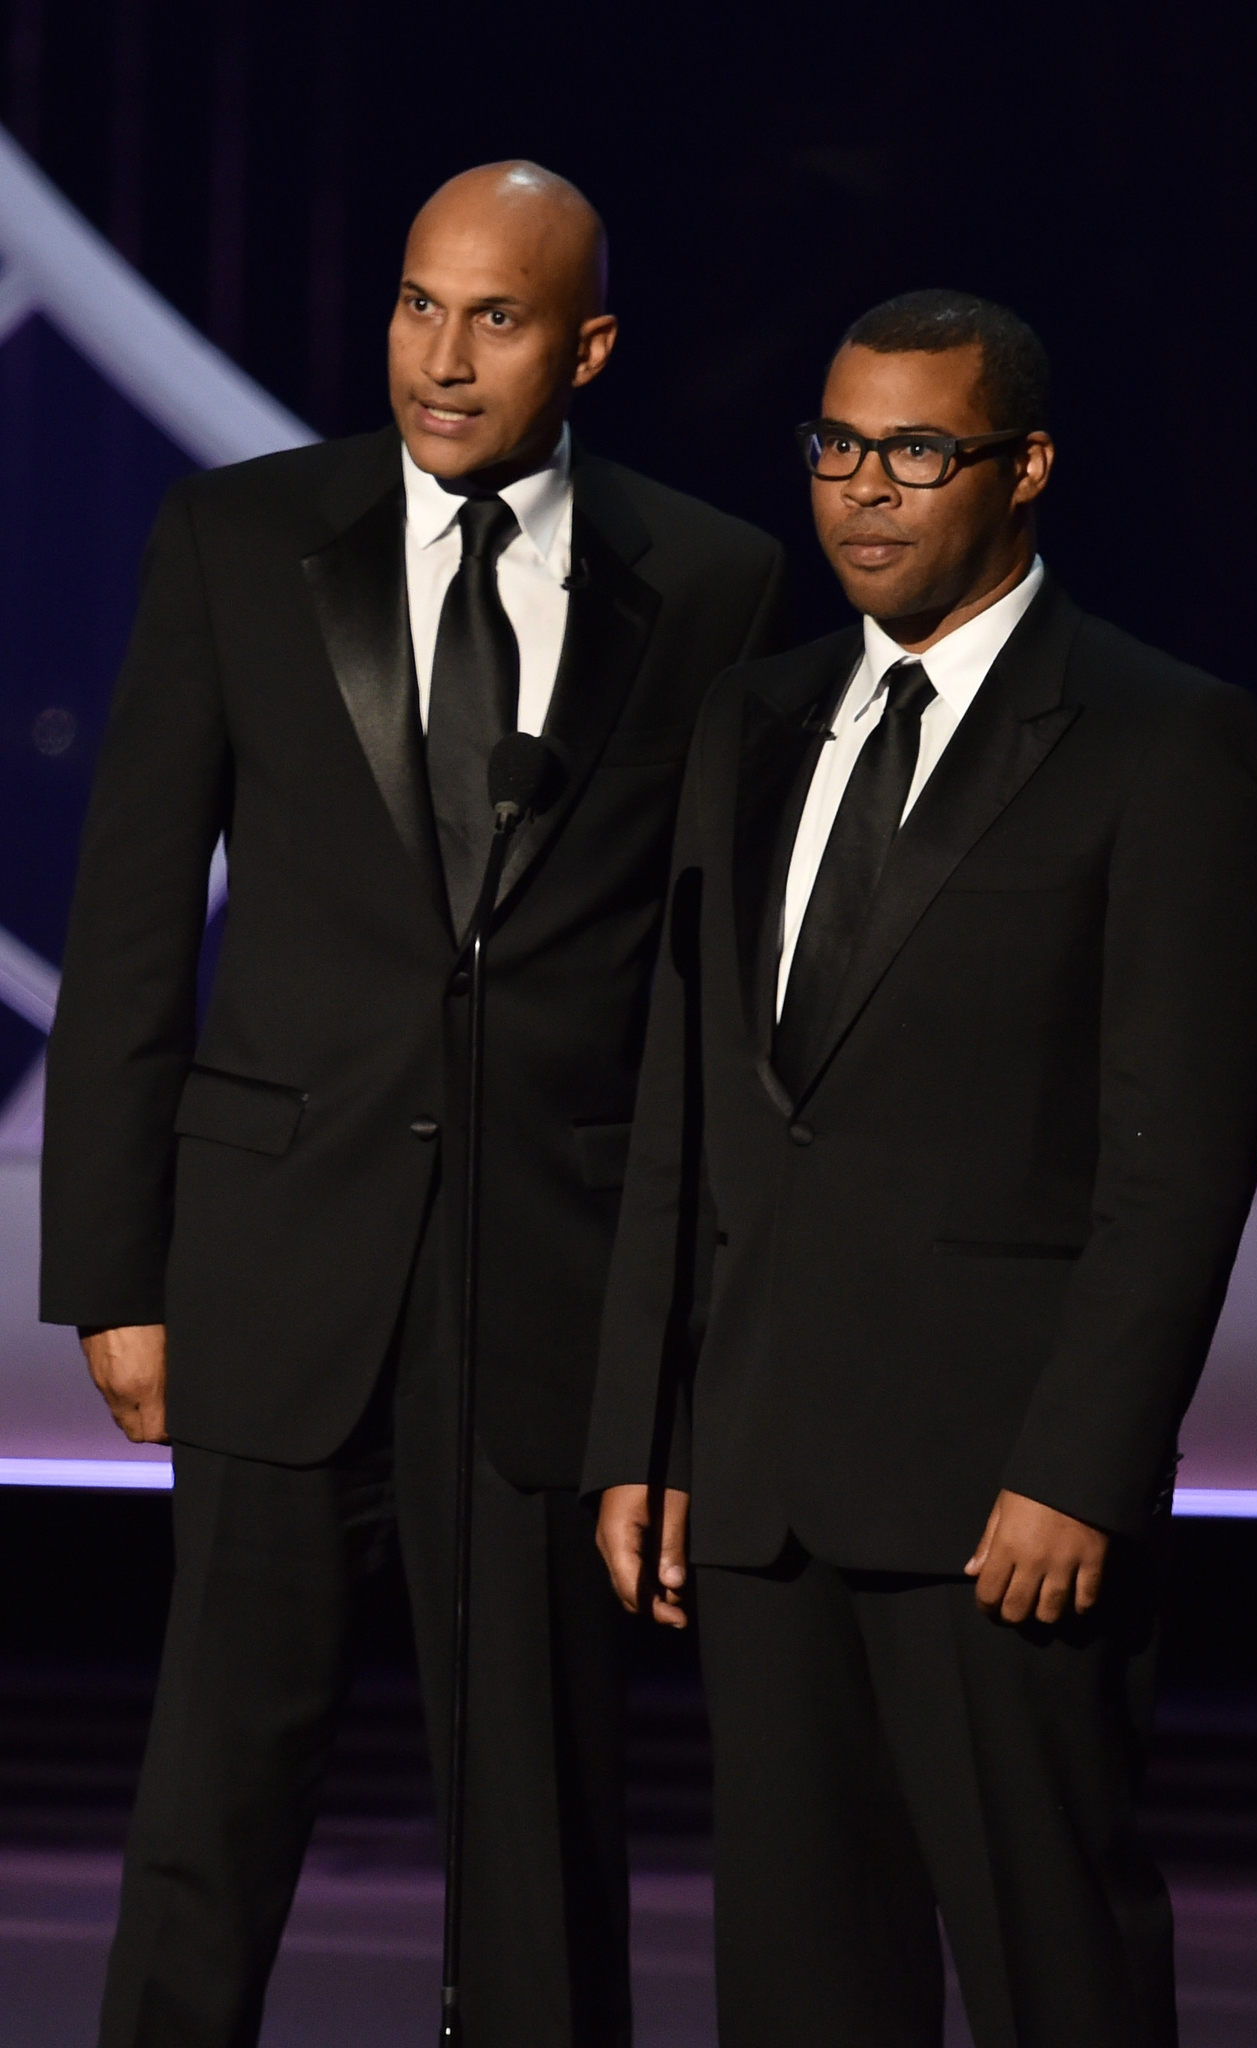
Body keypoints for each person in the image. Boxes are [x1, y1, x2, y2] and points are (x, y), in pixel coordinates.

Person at [41, 161, 785, 2048]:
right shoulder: (237, 536)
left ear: (588, 345)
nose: (441, 359)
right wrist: (113, 1270)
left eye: (498, 317)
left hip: (551, 1288)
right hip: (275, 1269)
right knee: (213, 1803)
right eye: (413, 305)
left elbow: (709, 989)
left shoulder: (708, 581)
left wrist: (685, 1343)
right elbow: (132, 919)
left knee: (542, 1832)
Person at [589, 289, 1257, 2047]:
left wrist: (1083, 1469)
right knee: (804, 1989)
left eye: (917, 451)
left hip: (1003, 1506)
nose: (864, 491)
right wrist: (644, 1434)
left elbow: (1180, 1155)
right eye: (836, 447)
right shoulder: (749, 721)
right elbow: (687, 1103)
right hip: (760, 1488)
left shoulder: (1160, 736)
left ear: (1025, 467)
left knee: (1059, 1968)